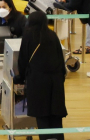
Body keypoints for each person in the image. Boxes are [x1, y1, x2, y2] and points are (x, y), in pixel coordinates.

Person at [15, 11, 67, 140]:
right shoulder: (53, 35)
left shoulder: (28, 36)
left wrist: (20, 78)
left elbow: (23, 60)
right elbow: (61, 60)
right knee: (56, 118)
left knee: (42, 118)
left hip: (37, 82)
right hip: (55, 82)